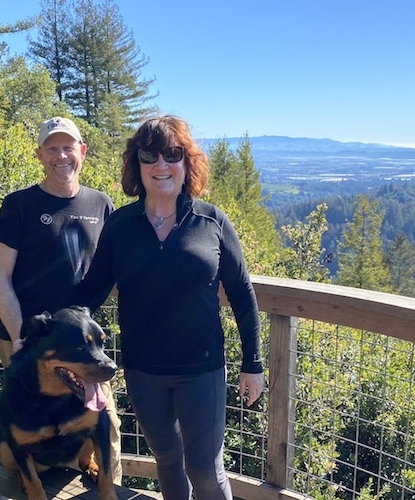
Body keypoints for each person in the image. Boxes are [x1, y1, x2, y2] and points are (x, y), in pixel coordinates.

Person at [75, 115, 265, 500]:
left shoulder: (212, 221)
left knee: (205, 469)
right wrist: (54, 330)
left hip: (202, 368)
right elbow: (91, 291)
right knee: (166, 458)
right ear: (137, 165)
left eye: (172, 154)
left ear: (187, 162)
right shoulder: (121, 226)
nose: (161, 165)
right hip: (144, 371)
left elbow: (242, 293)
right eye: (149, 156)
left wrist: (253, 364)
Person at [0, 116, 123, 485]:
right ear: (39, 154)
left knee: (104, 421)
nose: (60, 155)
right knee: (33, 422)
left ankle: (104, 488)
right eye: (51, 148)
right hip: (25, 341)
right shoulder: (19, 204)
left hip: (83, 348)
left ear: (82, 152)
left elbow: (114, 270)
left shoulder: (101, 204)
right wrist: (20, 338)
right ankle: (36, 486)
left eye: (68, 147)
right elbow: (0, 275)